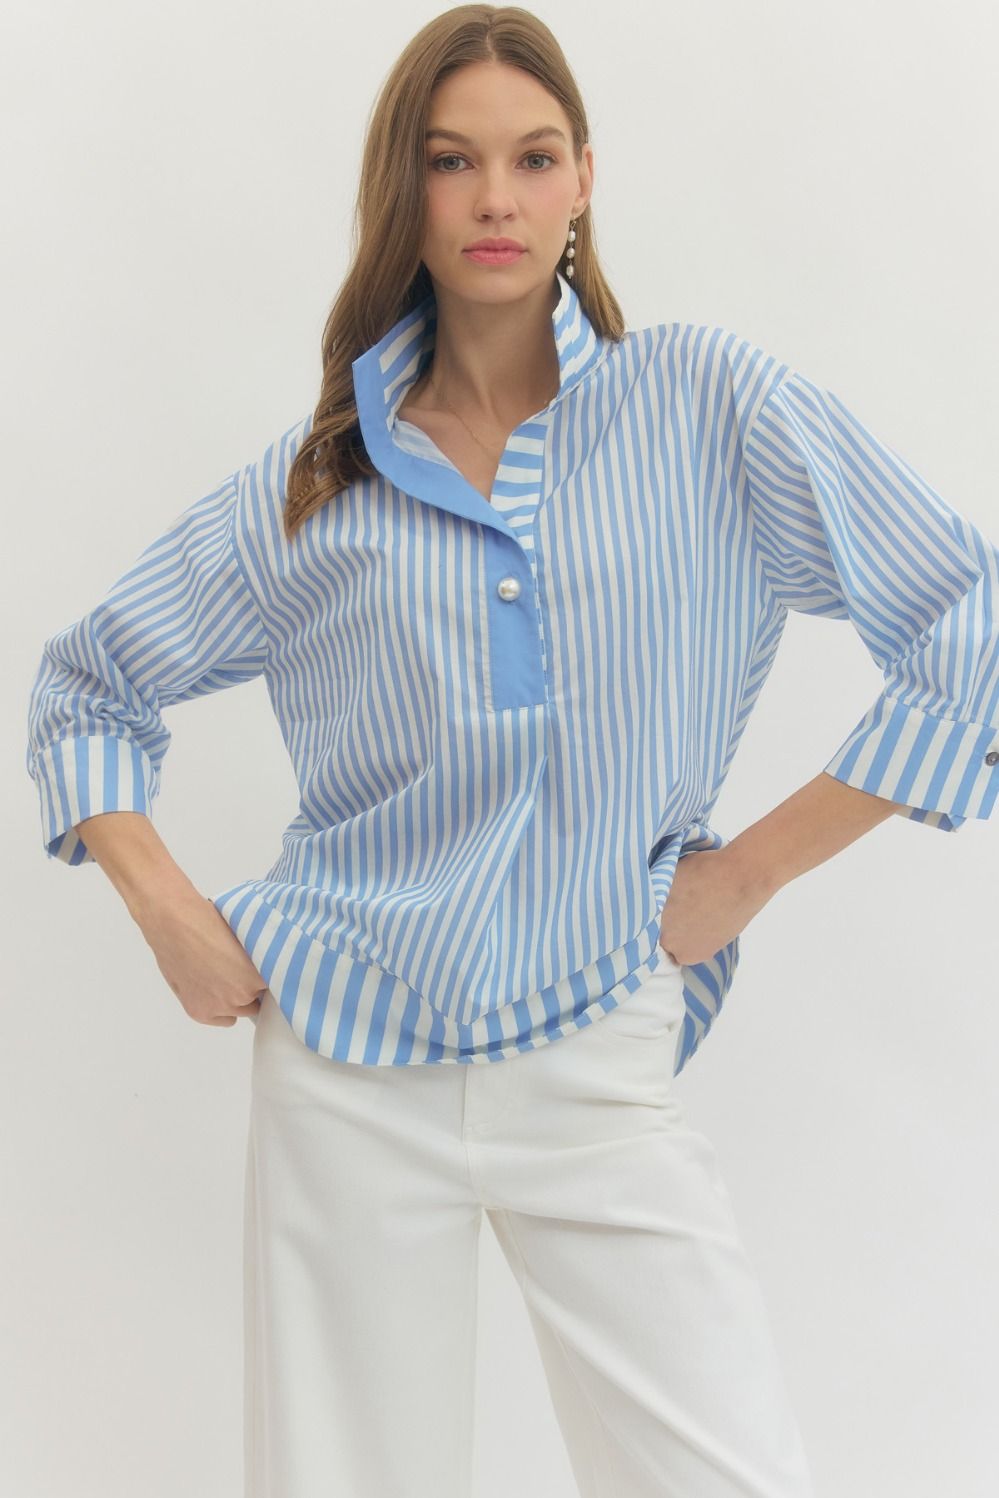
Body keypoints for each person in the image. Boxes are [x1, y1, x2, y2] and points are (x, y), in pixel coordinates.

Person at [25, 6, 999, 1496]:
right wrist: (169, 914)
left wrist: (745, 875)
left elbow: (966, 618)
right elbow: (87, 686)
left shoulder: (707, 406)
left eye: (533, 158)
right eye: (452, 160)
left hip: (597, 1027)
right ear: (403, 190)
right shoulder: (317, 484)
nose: (496, 198)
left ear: (584, 179)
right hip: (347, 1054)